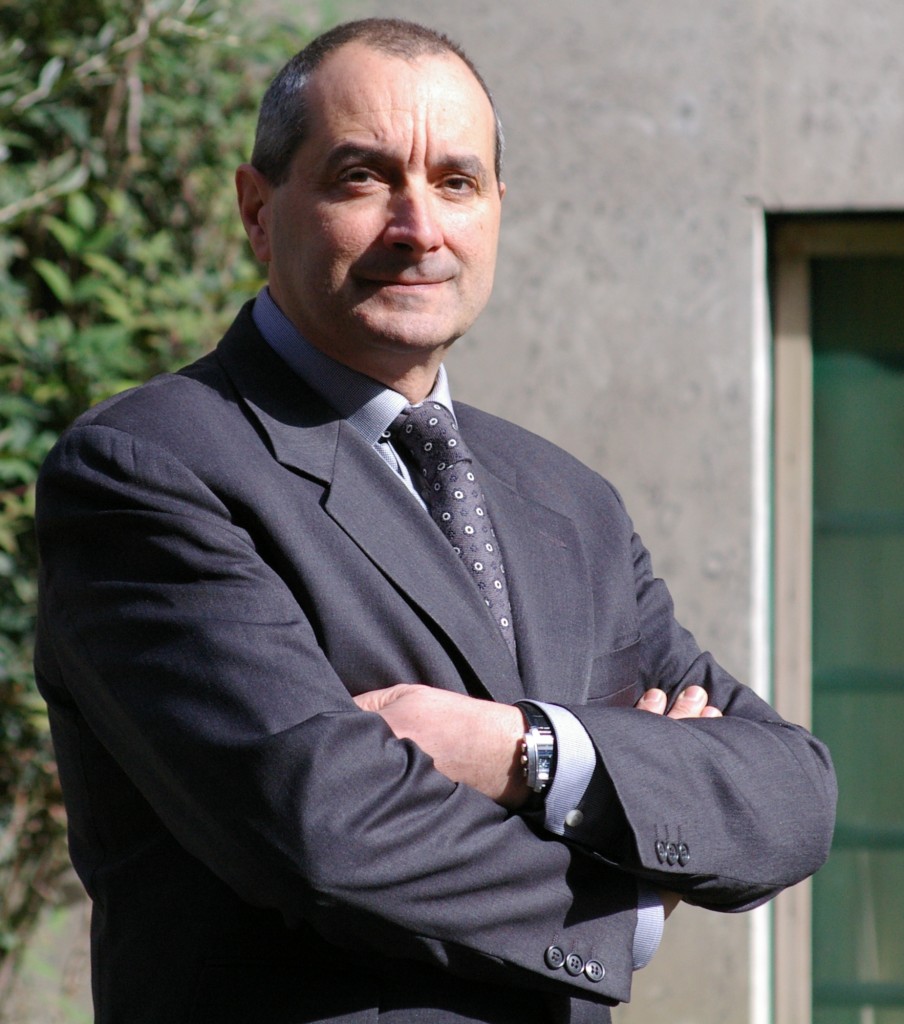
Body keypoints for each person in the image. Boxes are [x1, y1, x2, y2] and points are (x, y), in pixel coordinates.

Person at [34, 17, 836, 1024]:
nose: (418, 228)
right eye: (363, 178)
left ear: (497, 209)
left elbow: (791, 795)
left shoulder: (567, 503)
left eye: (456, 182)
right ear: (257, 210)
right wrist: (634, 878)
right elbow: (324, 825)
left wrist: (527, 750)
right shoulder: (150, 468)